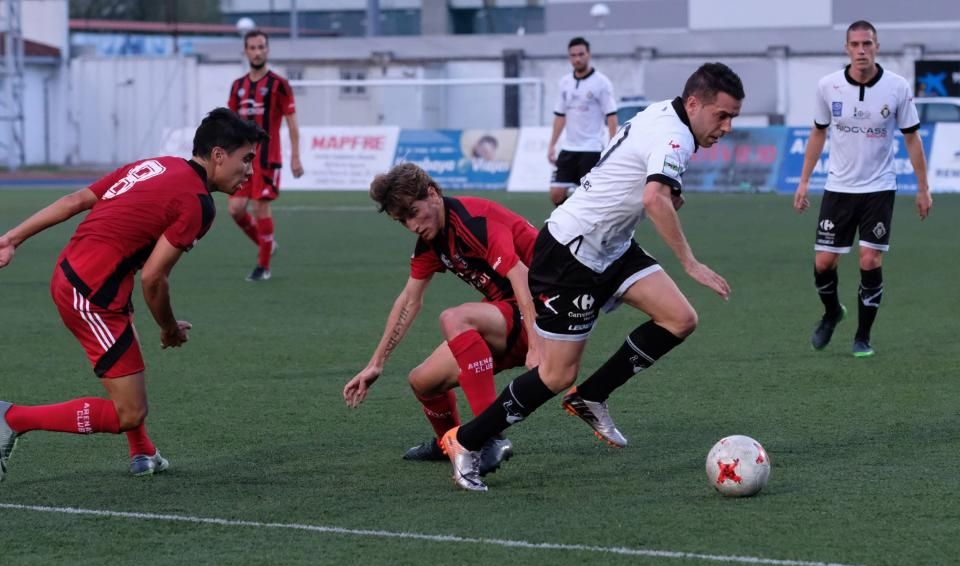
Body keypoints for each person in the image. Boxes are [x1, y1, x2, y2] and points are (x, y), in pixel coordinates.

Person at [439, 63, 744, 492]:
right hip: (571, 256)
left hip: (612, 247)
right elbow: (654, 198)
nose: (728, 126)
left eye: (733, 118)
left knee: (679, 318)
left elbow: (640, 173)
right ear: (694, 104)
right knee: (555, 375)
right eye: (722, 115)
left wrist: (668, 190)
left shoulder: (667, 116)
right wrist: (691, 263)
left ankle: (591, 396)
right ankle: (467, 442)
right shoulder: (674, 135)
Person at [0, 108, 265, 481]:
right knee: (129, 412)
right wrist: (169, 328)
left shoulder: (157, 164)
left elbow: (78, 200)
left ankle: (142, 451)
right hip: (91, 293)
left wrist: (12, 238)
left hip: (83, 274)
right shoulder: (198, 204)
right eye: (247, 159)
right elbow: (154, 279)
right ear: (219, 155)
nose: (251, 171)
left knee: (130, 363)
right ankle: (11, 418)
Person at [343, 163, 540, 475]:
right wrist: (376, 363)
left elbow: (521, 275)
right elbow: (409, 299)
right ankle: (451, 441)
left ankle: (488, 437)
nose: (411, 225)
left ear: (432, 194)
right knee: (423, 381)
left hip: (545, 310)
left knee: (455, 318)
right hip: (508, 314)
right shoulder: (432, 240)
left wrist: (537, 345)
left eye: (413, 212)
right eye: (402, 220)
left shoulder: (473, 220)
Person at [794, 20, 932, 357]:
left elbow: (912, 138)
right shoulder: (828, 86)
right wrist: (804, 181)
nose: (861, 50)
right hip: (839, 188)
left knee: (869, 260)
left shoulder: (897, 87)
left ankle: (863, 336)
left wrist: (923, 188)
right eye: (855, 44)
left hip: (879, 188)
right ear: (846, 48)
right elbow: (818, 133)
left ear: (877, 47)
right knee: (824, 263)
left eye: (867, 44)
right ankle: (832, 313)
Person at [227, 28, 304, 282]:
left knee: (261, 207)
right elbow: (231, 125)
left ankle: (264, 266)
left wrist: (295, 157)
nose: (258, 52)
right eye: (253, 47)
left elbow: (292, 123)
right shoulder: (237, 86)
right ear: (246, 51)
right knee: (236, 210)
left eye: (262, 47)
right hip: (241, 158)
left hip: (267, 157)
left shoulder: (279, 85)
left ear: (267, 50)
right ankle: (266, 244)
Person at [547, 36, 618, 207]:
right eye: (573, 55)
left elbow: (611, 115)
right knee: (556, 194)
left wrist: (613, 144)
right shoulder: (565, 82)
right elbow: (560, 115)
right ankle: (573, 224)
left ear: (589, 54)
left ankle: (594, 228)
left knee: (590, 197)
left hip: (591, 149)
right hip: (569, 148)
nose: (577, 58)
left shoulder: (601, 83)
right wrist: (552, 145)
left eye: (581, 54)